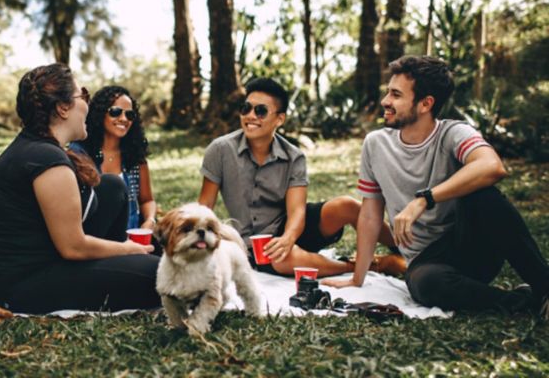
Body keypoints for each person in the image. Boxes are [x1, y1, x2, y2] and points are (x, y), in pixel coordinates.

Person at [322, 55, 549, 318]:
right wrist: (357, 278)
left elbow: (492, 166)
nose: (385, 101)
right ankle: (523, 302)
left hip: (471, 245)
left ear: (425, 103)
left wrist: (424, 199)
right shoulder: (375, 144)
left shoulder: (454, 133)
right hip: (426, 262)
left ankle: (544, 287)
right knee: (426, 284)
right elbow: (371, 214)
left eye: (396, 94)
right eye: (388, 92)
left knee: (484, 195)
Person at [0, 64, 160, 314]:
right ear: (63, 108)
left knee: (112, 186)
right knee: (162, 276)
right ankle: (128, 264)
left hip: (45, 259)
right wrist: (128, 249)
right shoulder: (46, 160)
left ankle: (124, 264)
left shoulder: (40, 147)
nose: (88, 103)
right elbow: (73, 247)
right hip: (21, 284)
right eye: (82, 95)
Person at [198, 77, 403, 277]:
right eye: (246, 108)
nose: (250, 116)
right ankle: (371, 266)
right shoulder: (220, 150)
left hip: (291, 227)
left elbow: (297, 211)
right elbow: (204, 206)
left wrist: (288, 238)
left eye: (260, 111)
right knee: (283, 258)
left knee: (347, 205)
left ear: (280, 119)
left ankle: (404, 247)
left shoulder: (294, 156)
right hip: (254, 244)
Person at [71, 86, 156, 230]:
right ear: (99, 114)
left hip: (132, 239)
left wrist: (150, 220)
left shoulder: (134, 155)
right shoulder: (79, 154)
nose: (124, 119)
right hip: (94, 239)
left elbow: (147, 200)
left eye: (129, 115)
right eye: (115, 112)